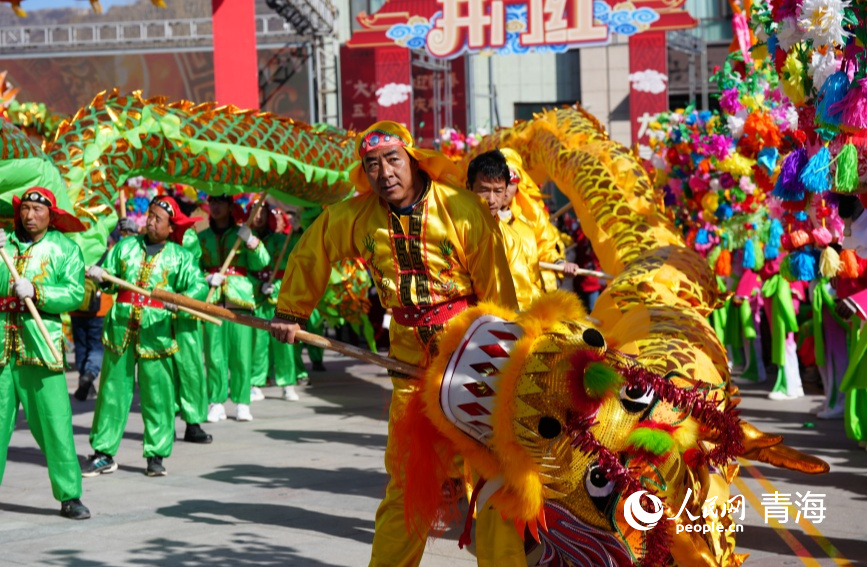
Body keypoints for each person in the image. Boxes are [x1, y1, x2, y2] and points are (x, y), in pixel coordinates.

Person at [269, 121, 525, 567]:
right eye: (372, 164)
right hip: (409, 366)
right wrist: (291, 311)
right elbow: (316, 246)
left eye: (392, 159)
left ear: (413, 160)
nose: (384, 172)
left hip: (471, 365)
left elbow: (499, 295)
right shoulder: (357, 216)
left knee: (492, 479)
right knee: (407, 484)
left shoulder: (463, 210)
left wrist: (503, 363)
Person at [82, 197, 208, 477]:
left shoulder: (181, 256)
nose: (150, 221)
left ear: (170, 227)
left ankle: (156, 454)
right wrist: (101, 276)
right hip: (121, 329)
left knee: (158, 396)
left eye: (157, 218)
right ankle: (103, 453)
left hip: (158, 332)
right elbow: (111, 280)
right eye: (149, 215)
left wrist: (181, 300)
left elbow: (198, 286)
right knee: (112, 393)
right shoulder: (126, 247)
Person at [0, 186, 90, 519]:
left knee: (55, 424)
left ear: (51, 215)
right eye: (25, 208)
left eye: (37, 210)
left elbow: (75, 293)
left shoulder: (65, 248)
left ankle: (69, 495)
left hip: (40, 345)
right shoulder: (3, 244)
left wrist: (38, 291)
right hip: (2, 346)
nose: (29, 215)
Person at [199, 195, 270, 422]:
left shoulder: (242, 233)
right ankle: (216, 402)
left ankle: (242, 402)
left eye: (220, 202)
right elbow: (192, 269)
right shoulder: (201, 237)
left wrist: (251, 241)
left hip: (240, 303)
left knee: (241, 355)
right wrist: (206, 278)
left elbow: (262, 262)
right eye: (212, 202)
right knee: (214, 356)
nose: (215, 206)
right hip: (212, 302)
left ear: (230, 206)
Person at [466, 150, 542, 310]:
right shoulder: (449, 228)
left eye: (498, 191)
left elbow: (520, 294)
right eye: (484, 190)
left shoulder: (512, 239)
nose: (491, 200)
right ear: (469, 187)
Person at [499, 148, 581, 291]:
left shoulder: (532, 215)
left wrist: (560, 264)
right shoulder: (476, 216)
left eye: (511, 183)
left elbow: (546, 247)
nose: (505, 189)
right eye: (500, 182)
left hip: (528, 294)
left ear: (518, 186)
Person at [249, 204, 302, 401]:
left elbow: (298, 253)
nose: (258, 217)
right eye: (254, 212)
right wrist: (258, 285)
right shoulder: (244, 240)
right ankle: (256, 382)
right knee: (258, 342)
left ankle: (287, 383)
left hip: (279, 295)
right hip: (256, 297)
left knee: (284, 340)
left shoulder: (281, 240)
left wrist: (297, 230)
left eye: (262, 212)